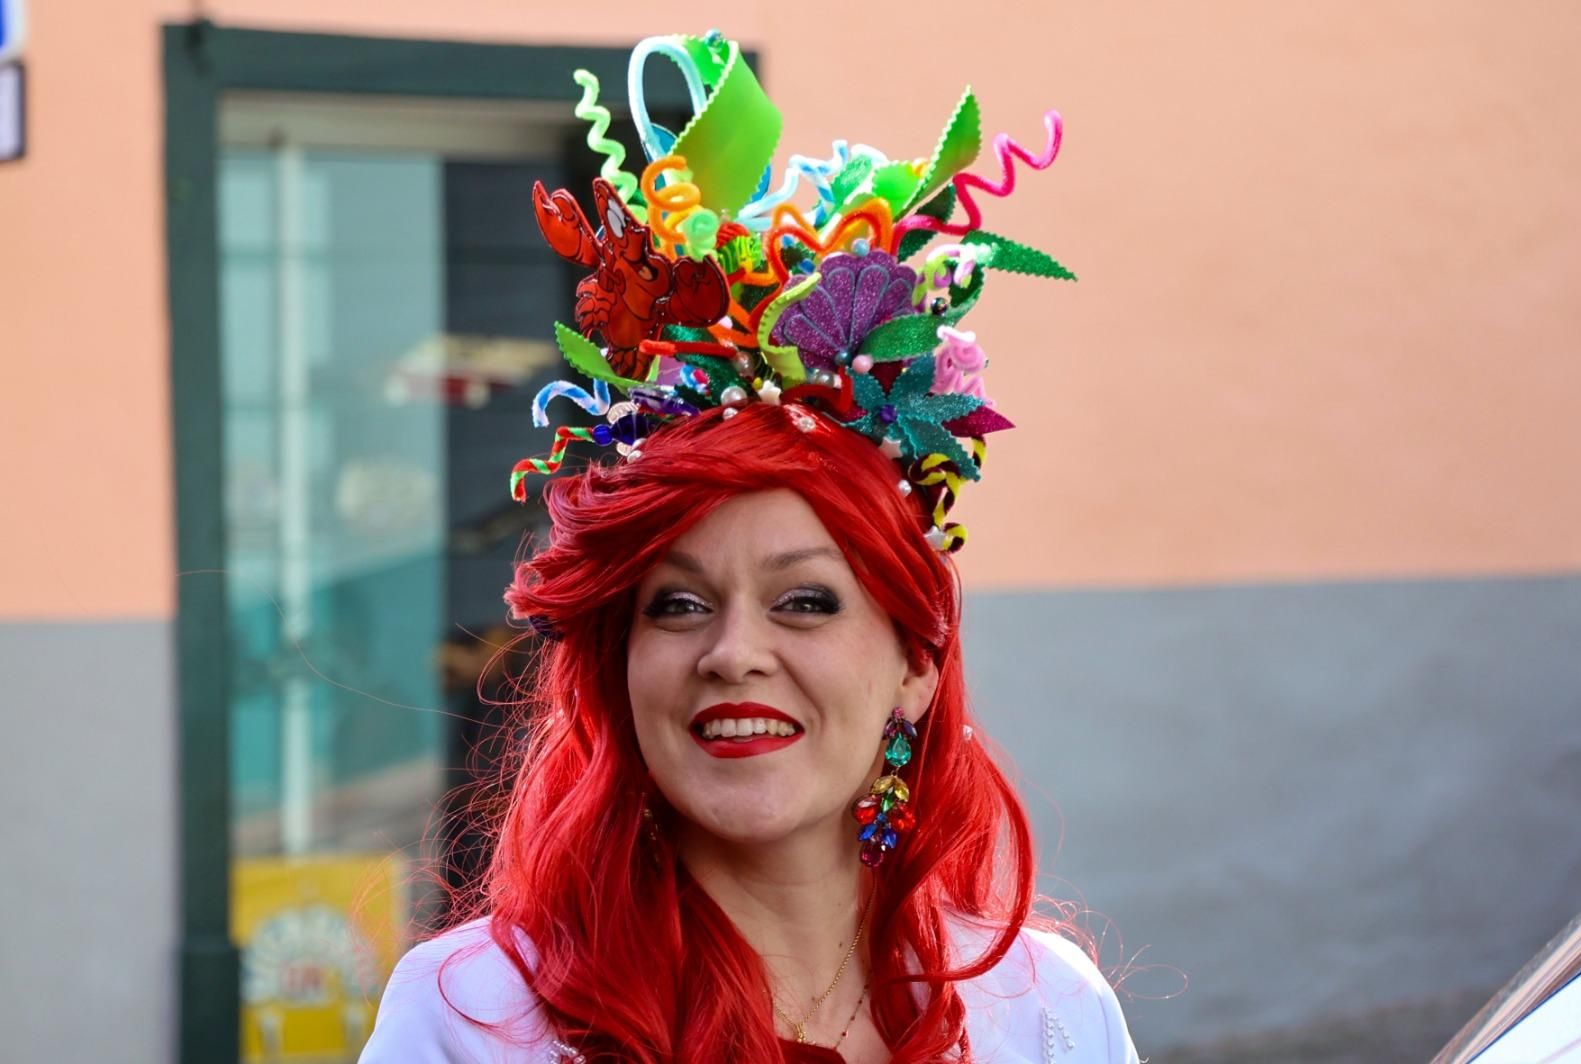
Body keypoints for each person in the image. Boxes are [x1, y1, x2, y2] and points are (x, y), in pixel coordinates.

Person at [361, 30, 1139, 1064]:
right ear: (619, 663)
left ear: (915, 658)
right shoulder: (473, 1020)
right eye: (676, 604)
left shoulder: (1046, 1015)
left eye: (805, 601)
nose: (732, 650)